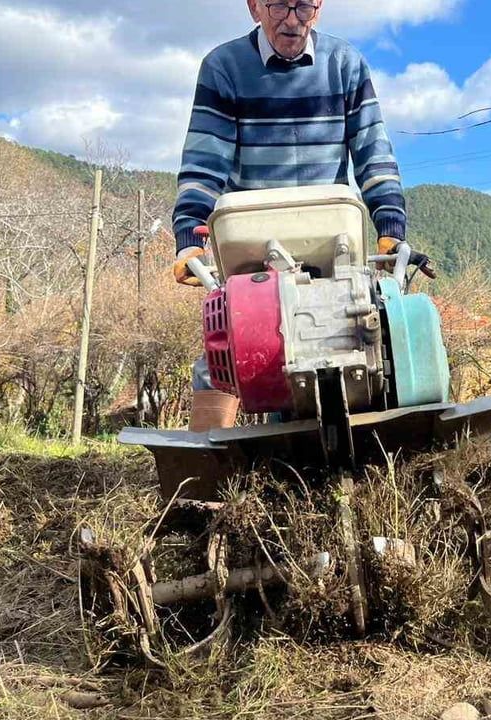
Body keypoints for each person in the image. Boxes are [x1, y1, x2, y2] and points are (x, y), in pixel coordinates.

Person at [171, 0, 409, 433]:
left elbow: (374, 154)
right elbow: (206, 161)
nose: (293, 19)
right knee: (224, 353)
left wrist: (390, 226)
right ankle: (203, 481)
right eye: (280, 4)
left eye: (305, 5)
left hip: (330, 239)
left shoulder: (345, 64)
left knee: (370, 339)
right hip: (252, 244)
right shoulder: (226, 67)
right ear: (254, 7)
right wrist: (190, 232)